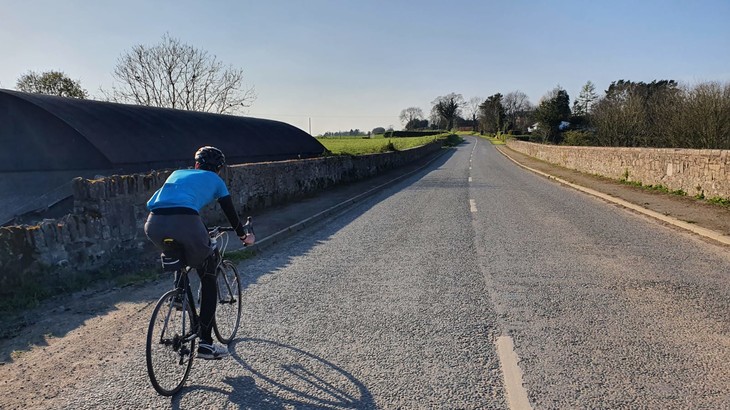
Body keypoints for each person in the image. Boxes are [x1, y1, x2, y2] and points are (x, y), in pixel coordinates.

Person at [144, 146, 253, 360]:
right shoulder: (216, 181)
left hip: (154, 223)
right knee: (208, 276)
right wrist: (244, 236)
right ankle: (205, 343)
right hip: (187, 222)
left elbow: (154, 203)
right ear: (219, 169)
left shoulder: (177, 174)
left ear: (196, 165)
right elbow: (230, 212)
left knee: (179, 251)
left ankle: (179, 295)